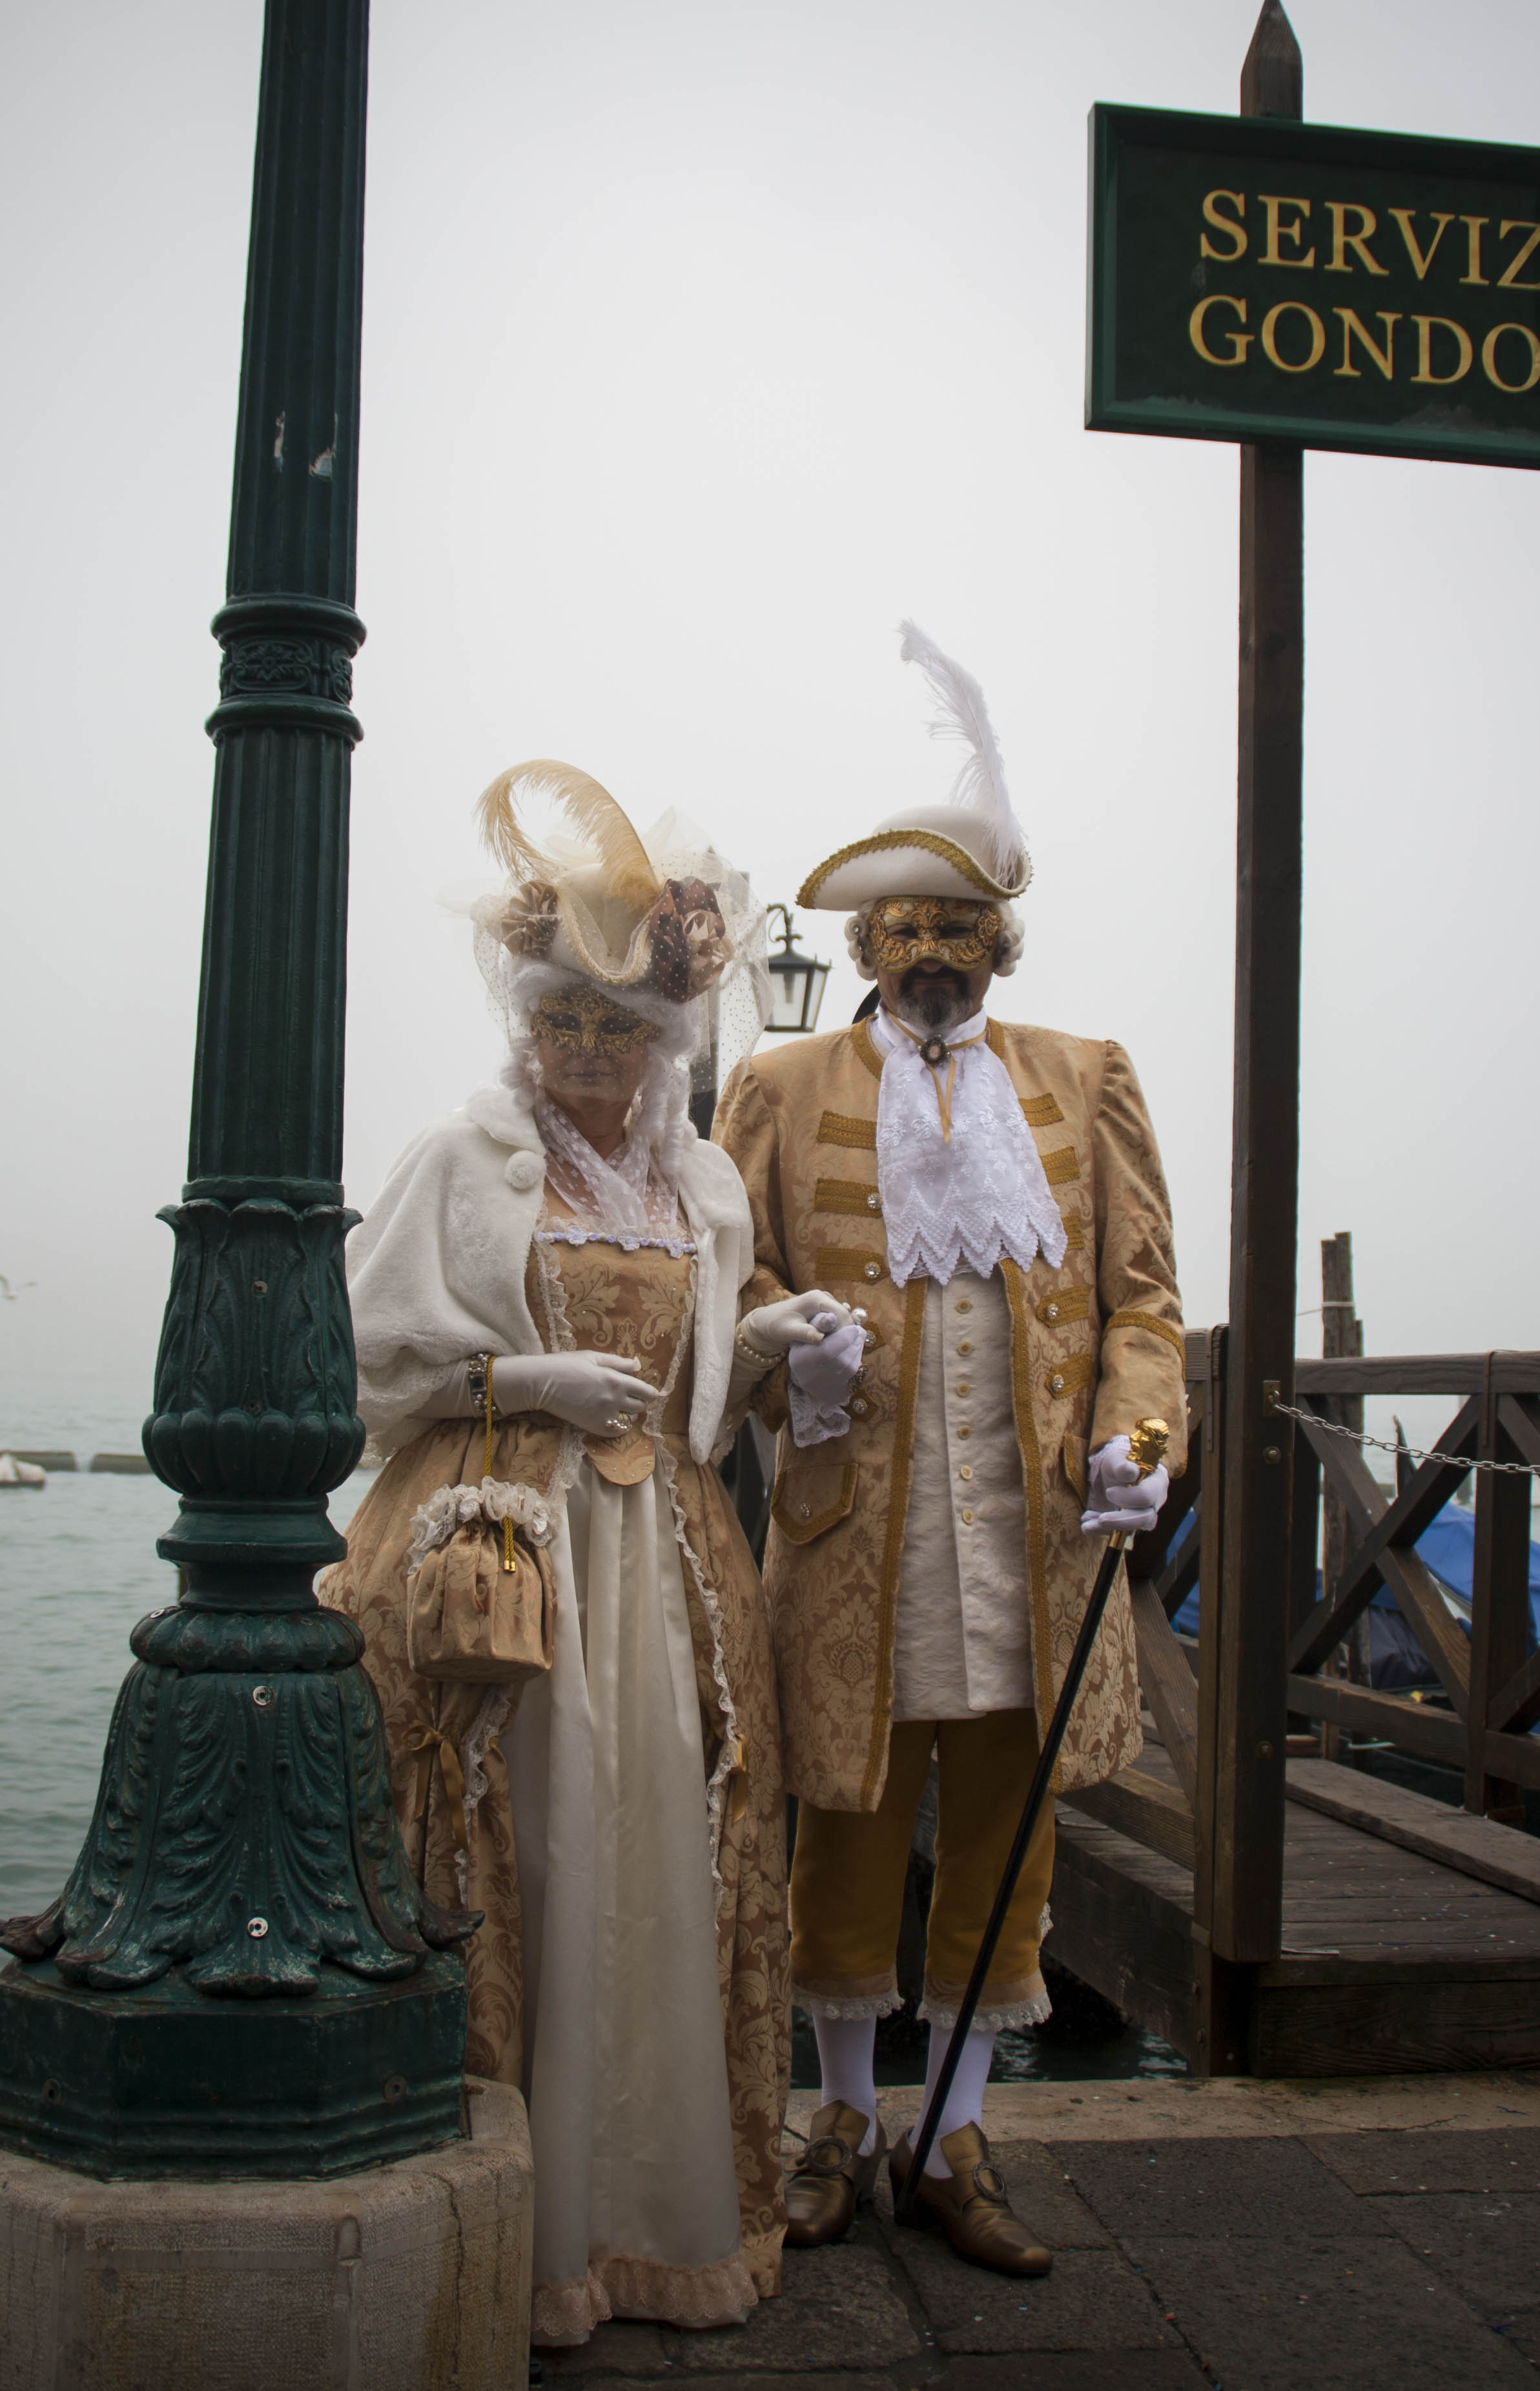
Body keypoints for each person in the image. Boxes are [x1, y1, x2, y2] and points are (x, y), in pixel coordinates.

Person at [323, 763, 854, 2345]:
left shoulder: (700, 1180)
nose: (589, 1057)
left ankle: (650, 2220)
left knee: (661, 1866)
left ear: (671, 1043)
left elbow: (700, 1388)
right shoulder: (461, 1161)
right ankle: (518, 2236)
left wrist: (767, 1339)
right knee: (522, 1852)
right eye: (564, 1025)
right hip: (505, 1543)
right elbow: (359, 1367)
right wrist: (516, 1379)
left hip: (673, 1563)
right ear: (526, 1026)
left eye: (619, 1031)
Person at [713, 626, 1187, 2276]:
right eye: (905, 926)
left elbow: (1144, 1302)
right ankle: (840, 2123)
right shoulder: (774, 1087)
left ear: (1002, 943)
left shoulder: (1086, 1077)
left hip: (1037, 1540)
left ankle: (957, 2132)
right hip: (858, 1537)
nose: (931, 952)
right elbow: (735, 1276)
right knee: (842, 1819)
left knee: (1012, 1821)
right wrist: (795, 1358)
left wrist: (1140, 1435)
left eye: (961, 929)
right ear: (864, 939)